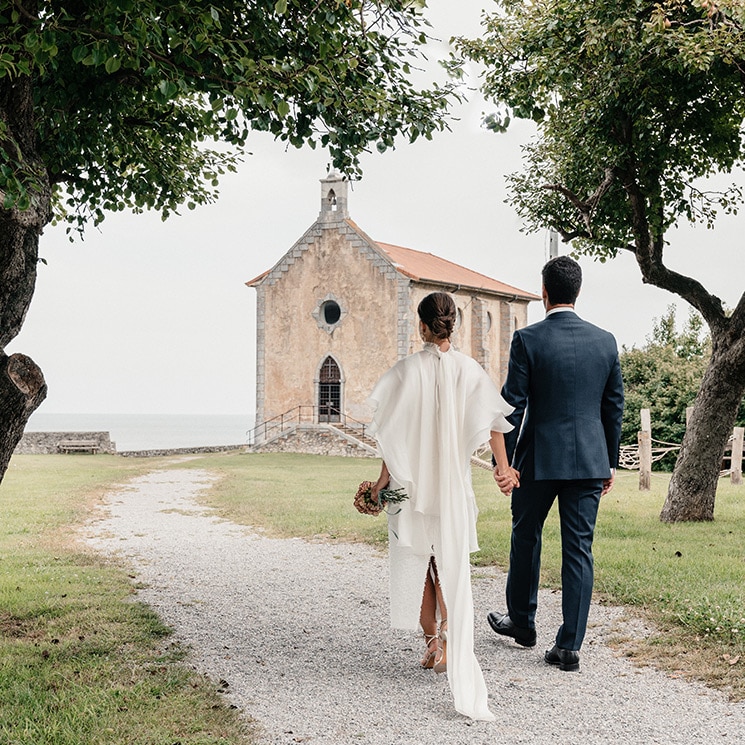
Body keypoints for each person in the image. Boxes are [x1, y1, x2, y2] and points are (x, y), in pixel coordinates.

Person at [367, 291, 519, 721]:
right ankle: (449, 642)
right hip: (453, 488)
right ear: (453, 323)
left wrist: (381, 485)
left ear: (421, 326)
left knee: (419, 562)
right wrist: (503, 469)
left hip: (413, 488)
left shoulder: (404, 373)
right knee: (447, 563)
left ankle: (434, 644)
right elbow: (493, 426)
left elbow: (391, 436)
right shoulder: (470, 371)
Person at [489, 256, 624, 672]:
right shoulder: (605, 341)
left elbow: (512, 405)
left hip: (536, 460)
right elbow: (614, 406)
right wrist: (610, 462)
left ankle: (523, 623)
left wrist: (506, 463)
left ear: (544, 292)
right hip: (589, 461)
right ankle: (568, 647)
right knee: (579, 549)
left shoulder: (527, 339)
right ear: (577, 293)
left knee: (525, 535)